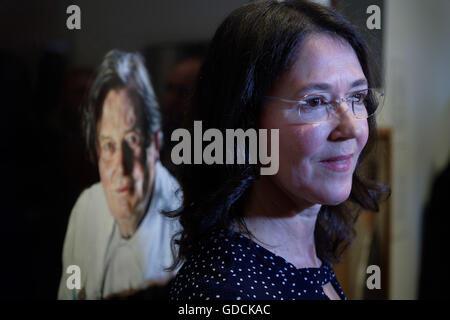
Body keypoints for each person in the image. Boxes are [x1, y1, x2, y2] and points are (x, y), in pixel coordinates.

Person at [168, 0, 388, 300]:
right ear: (245, 121)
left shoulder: (306, 255)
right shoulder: (222, 291)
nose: (352, 128)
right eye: (314, 102)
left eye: (357, 97)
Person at [58, 50, 181, 300]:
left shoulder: (187, 213)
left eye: (132, 140)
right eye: (108, 146)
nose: (120, 168)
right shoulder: (86, 207)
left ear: (156, 144)